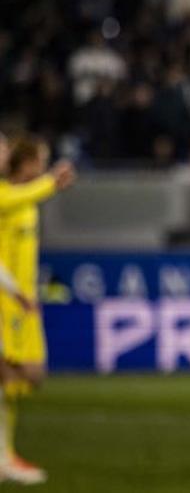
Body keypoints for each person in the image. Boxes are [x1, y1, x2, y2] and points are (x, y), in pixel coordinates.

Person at [0, 135, 75, 484]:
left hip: (21, 304)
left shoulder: (23, 203)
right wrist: (51, 184)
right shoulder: (9, 197)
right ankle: (5, 457)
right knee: (8, 378)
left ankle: (5, 454)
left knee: (28, 376)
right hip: (6, 303)